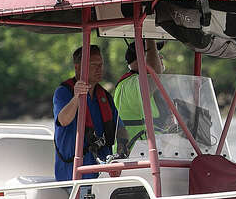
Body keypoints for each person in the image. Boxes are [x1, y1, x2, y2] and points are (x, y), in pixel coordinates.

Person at [53, 44, 116, 184]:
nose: (99, 69)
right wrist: (76, 98)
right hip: (73, 176)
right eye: (94, 65)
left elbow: (119, 128)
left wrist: (123, 151)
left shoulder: (104, 96)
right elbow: (63, 120)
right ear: (77, 67)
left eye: (101, 64)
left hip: (102, 175)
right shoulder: (63, 93)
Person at [114, 40, 166, 157]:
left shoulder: (141, 83)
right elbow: (154, 72)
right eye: (156, 54)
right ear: (142, 59)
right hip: (134, 155)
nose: (161, 57)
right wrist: (150, 37)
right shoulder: (129, 84)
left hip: (149, 152)